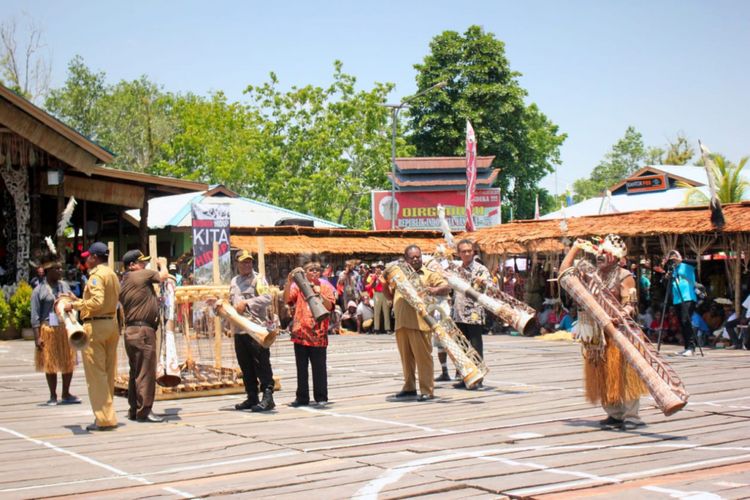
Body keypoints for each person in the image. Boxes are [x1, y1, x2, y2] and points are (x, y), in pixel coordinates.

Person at [559, 234, 648, 431]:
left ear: (615, 257)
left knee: (624, 373)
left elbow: (630, 304)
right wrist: (575, 247)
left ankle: (631, 415)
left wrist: (619, 316)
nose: (600, 256)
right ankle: (614, 413)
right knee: (603, 373)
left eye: (605, 253)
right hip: (597, 334)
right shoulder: (590, 273)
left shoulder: (625, 276)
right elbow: (564, 272)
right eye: (599, 252)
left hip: (620, 331)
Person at [64, 242, 121, 432]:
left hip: (96, 326)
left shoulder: (97, 275)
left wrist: (75, 305)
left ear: (95, 257)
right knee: (108, 372)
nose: (86, 259)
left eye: (88, 256)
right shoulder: (112, 274)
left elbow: (97, 302)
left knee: (97, 375)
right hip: (111, 325)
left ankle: (104, 419)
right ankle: (109, 414)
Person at [382, 245, 449, 402]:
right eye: (412, 257)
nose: (416, 259)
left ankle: (427, 390)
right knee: (406, 359)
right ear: (406, 259)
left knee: (423, 359)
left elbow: (446, 287)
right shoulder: (398, 275)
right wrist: (386, 285)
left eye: (418, 256)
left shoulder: (428, 274)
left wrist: (433, 290)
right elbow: (389, 294)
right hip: (401, 323)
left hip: (421, 324)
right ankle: (409, 387)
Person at [119, 249, 166, 423]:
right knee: (146, 372)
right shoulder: (139, 275)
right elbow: (163, 276)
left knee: (135, 372)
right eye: (141, 262)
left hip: (131, 331)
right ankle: (144, 410)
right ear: (132, 265)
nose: (144, 265)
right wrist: (163, 264)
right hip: (143, 331)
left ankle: (134, 408)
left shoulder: (125, 280)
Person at [284, 260, 336, 407]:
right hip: (300, 333)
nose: (314, 272)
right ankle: (302, 397)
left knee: (319, 367)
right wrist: (288, 282)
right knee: (301, 368)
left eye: (317, 270)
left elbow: (330, 305)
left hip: (318, 334)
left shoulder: (324, 286)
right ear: (305, 273)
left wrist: (320, 295)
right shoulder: (299, 286)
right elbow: (287, 299)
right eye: (311, 270)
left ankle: (321, 396)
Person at [230, 250, 275, 412]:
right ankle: (251, 396)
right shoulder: (234, 281)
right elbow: (232, 303)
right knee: (246, 365)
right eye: (243, 262)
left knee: (261, 364)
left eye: (249, 262)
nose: (247, 265)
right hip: (239, 330)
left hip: (256, 329)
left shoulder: (258, 279)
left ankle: (268, 397)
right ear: (238, 264)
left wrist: (248, 303)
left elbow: (268, 298)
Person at [31, 257, 80, 406]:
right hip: (48, 329)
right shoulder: (38, 290)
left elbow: (74, 303)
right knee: (50, 363)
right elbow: (35, 315)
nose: (60, 271)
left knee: (68, 361)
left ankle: (66, 393)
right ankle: (53, 395)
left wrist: (71, 300)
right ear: (48, 271)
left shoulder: (64, 286)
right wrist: (37, 337)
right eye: (56, 269)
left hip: (65, 328)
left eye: (60, 268)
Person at [450, 239, 492, 389]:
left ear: (473, 252)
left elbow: (492, 287)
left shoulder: (481, 269)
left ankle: (478, 377)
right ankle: (466, 376)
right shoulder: (455, 269)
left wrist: (484, 282)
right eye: (464, 251)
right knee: (461, 347)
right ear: (459, 253)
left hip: (473, 313)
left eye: (469, 250)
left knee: (475, 346)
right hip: (458, 313)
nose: (467, 253)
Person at [663, 250, 698, 356]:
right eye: (671, 257)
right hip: (677, 299)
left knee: (686, 320)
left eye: (675, 257)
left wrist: (680, 260)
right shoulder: (672, 269)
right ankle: (687, 347)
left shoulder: (687, 266)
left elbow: (695, 262)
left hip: (688, 297)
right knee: (682, 323)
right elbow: (667, 283)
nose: (673, 259)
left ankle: (691, 347)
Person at [366, 261, 391, 334]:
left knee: (386, 312)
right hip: (377, 293)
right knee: (377, 312)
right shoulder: (373, 276)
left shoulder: (385, 275)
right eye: (378, 267)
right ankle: (376, 328)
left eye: (381, 267)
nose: (380, 268)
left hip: (385, 293)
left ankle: (387, 328)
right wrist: (376, 278)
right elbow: (371, 286)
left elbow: (388, 284)